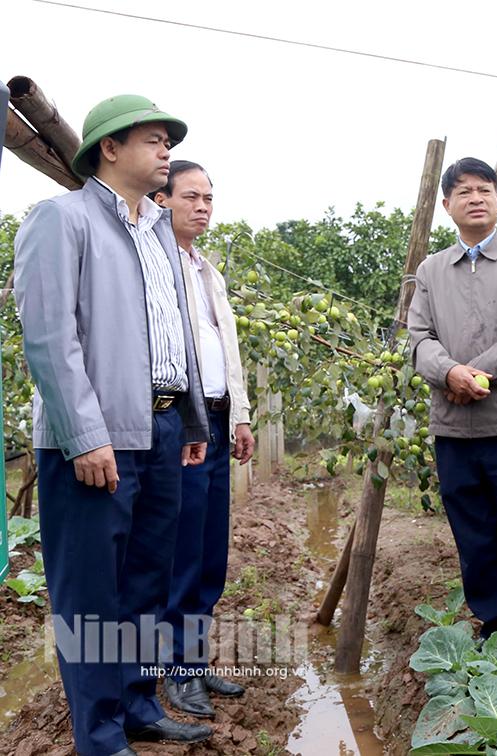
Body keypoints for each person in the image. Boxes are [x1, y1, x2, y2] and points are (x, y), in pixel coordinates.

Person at [14, 95, 212, 755]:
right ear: (109, 147)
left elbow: (173, 335)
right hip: (94, 438)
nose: (165, 152)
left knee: (146, 583)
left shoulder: (157, 231)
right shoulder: (62, 219)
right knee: (92, 597)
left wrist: (187, 419)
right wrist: (83, 433)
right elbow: (48, 336)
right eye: (154, 140)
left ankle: (134, 706)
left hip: (156, 433)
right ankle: (98, 737)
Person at [408, 158, 497, 663]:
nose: (476, 198)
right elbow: (418, 338)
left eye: (485, 189)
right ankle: (494, 630)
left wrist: (475, 374)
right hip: (454, 430)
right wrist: (448, 372)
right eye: (464, 191)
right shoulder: (431, 270)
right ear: (446, 204)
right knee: (475, 535)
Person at [151, 160, 255, 718]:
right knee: (182, 552)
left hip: (215, 423)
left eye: (209, 198)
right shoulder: (156, 264)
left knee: (211, 551)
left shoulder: (206, 270)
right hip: (180, 424)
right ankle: (175, 671)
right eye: (191, 196)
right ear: (162, 200)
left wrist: (239, 414)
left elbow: (225, 357)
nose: (203, 206)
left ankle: (195, 661)